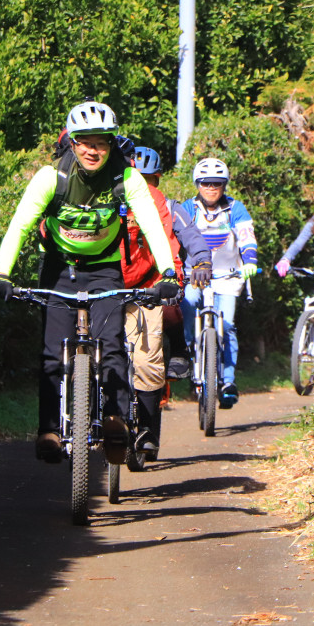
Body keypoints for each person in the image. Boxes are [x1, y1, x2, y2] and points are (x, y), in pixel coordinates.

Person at [0, 101, 179, 463]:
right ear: (73, 143)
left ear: (112, 145)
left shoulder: (126, 179)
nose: (94, 150)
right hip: (60, 269)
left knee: (111, 345)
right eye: (85, 142)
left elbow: (153, 226)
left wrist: (168, 273)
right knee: (50, 354)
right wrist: (2, 273)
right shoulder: (52, 177)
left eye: (102, 143)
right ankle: (49, 430)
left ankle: (114, 420)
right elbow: (20, 225)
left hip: (105, 269)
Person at [121, 146, 212, 456]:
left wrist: (200, 260)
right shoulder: (119, 203)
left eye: (151, 180)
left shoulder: (170, 207)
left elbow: (193, 236)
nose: (145, 186)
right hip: (117, 285)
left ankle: (180, 350)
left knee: (172, 309)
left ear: (158, 181)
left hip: (159, 281)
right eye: (140, 179)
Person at [179, 158, 258, 408]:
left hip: (228, 276)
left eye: (217, 183)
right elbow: (176, 239)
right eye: (205, 183)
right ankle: (193, 353)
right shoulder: (187, 208)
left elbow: (246, 236)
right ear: (197, 184)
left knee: (229, 324)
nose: (211, 188)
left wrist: (250, 260)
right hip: (195, 275)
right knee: (188, 305)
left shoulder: (235, 208)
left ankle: (228, 381)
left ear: (224, 185)